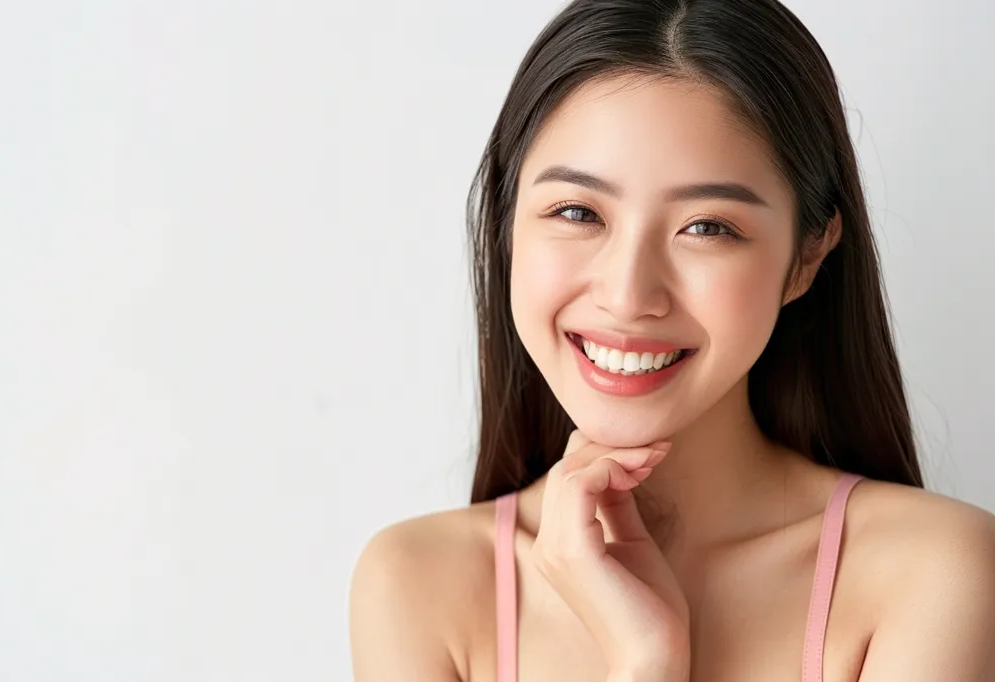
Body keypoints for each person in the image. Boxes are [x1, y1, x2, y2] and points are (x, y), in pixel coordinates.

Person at [349, 0, 995, 680]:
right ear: (509, 224)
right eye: (577, 212)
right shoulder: (421, 585)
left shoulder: (931, 574)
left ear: (808, 255)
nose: (629, 296)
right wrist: (643, 660)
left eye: (708, 227)